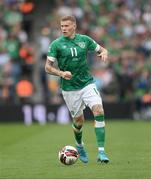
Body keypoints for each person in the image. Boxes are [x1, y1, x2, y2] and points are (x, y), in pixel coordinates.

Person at [45, 15, 109, 163]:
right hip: (69, 89)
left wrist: (104, 52)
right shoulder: (56, 44)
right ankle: (79, 145)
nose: (64, 29)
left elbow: (102, 49)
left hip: (87, 83)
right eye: (62, 26)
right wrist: (61, 73)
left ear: (74, 26)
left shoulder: (84, 40)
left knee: (98, 110)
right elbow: (47, 67)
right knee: (79, 120)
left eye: (66, 26)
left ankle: (102, 152)